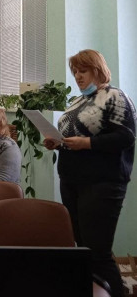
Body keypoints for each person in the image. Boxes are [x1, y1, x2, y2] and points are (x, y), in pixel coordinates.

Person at [44, 49, 136, 297]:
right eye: (75, 71)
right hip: (72, 181)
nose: (77, 76)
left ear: (98, 70)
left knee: (98, 253)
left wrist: (87, 143)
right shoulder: (78, 101)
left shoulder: (115, 96)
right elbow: (73, 136)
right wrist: (57, 142)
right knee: (83, 249)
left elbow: (126, 136)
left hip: (102, 184)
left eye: (82, 71)